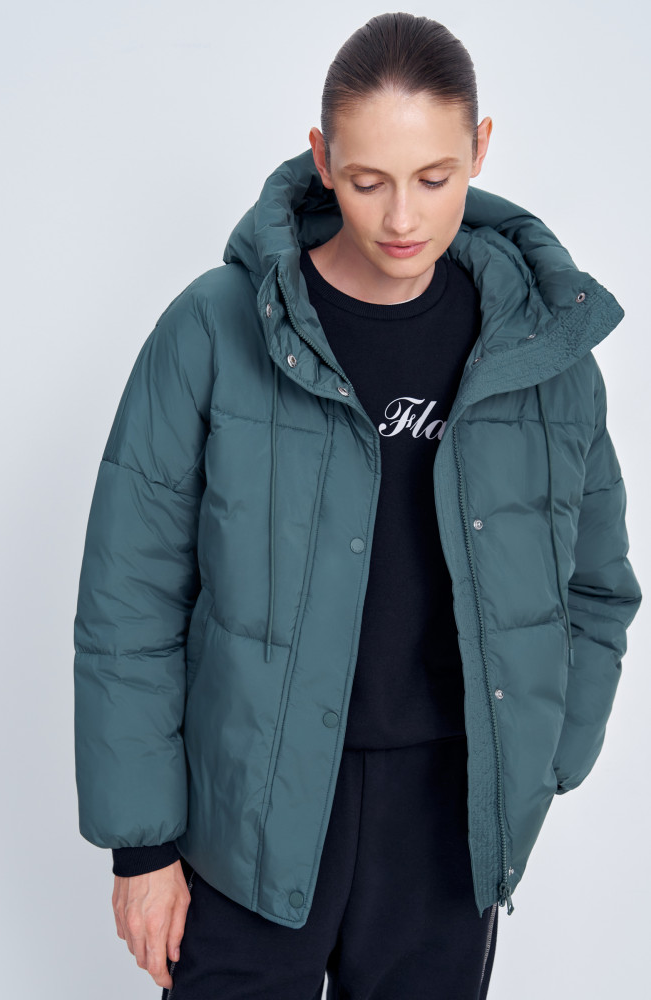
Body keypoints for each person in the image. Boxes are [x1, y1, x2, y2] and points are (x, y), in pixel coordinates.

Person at [72, 11, 642, 1000]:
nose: (402, 218)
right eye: (369, 180)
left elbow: (598, 586)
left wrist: (541, 761)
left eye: (435, 177)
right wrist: (142, 847)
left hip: (445, 822)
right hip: (247, 811)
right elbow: (130, 598)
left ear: (481, 150)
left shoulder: (542, 358)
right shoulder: (216, 327)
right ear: (322, 158)